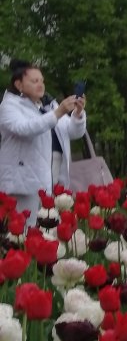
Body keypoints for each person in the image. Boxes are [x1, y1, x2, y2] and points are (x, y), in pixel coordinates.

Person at [0, 60, 86, 225]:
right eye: (34, 81)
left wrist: (77, 114)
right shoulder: (9, 106)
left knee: (44, 231)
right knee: (22, 231)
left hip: (48, 179)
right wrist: (59, 112)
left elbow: (74, 132)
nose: (40, 85)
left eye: (42, 80)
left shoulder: (47, 105)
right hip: (22, 183)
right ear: (19, 84)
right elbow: (25, 128)